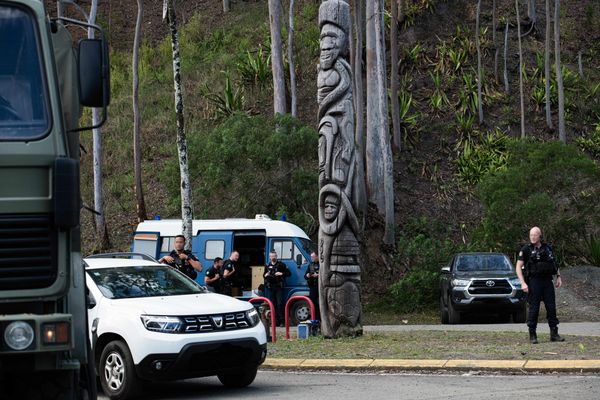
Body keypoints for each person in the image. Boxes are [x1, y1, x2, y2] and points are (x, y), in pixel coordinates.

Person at [515, 226, 564, 344]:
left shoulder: (548, 248)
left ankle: (554, 333)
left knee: (551, 308)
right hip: (534, 281)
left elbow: (554, 263)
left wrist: (558, 277)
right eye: (531, 235)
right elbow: (518, 267)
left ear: (539, 236)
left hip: (547, 281)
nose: (532, 237)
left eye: (535, 235)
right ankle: (532, 335)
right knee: (534, 309)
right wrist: (522, 283)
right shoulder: (526, 249)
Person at [263, 250, 290, 326]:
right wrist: (265, 275)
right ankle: (275, 321)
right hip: (270, 287)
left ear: (276, 256)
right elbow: (263, 275)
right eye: (271, 256)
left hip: (278, 287)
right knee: (272, 304)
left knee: (279, 304)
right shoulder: (267, 266)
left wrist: (281, 273)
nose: (272, 258)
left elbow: (288, 273)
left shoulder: (281, 265)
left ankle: (282, 321)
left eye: (274, 256)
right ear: (269, 257)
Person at [304, 251, 320, 321]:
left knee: (320, 303)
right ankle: (314, 318)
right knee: (312, 303)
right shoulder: (310, 265)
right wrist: (307, 275)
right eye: (311, 257)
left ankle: (320, 319)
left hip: (320, 287)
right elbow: (305, 276)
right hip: (312, 287)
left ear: (317, 256)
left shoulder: (322, 264)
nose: (312, 258)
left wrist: (319, 275)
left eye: (313, 257)